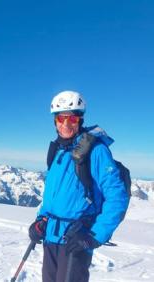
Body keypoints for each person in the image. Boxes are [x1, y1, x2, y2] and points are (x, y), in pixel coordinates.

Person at [28, 91, 129, 282]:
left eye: (72, 118)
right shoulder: (58, 151)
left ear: (80, 119)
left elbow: (117, 197)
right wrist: (40, 220)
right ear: (55, 121)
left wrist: (94, 235)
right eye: (61, 118)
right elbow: (52, 196)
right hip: (51, 237)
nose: (66, 124)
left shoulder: (96, 150)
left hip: (77, 238)